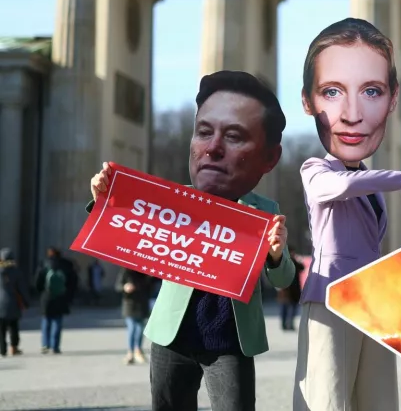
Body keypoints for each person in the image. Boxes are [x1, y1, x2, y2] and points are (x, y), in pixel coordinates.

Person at [87, 70, 295, 411]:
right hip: (173, 336)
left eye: (234, 136)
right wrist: (104, 200)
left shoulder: (264, 212)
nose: (213, 149)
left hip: (230, 341)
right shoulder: (173, 202)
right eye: (203, 132)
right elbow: (128, 234)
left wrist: (275, 255)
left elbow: (283, 279)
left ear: (269, 157)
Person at [292, 18, 401, 411]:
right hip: (331, 294)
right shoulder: (316, 169)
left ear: (391, 99)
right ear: (309, 101)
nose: (351, 114)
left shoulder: (366, 178)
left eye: (371, 91)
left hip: (372, 296)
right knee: (328, 399)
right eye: (331, 92)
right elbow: (341, 187)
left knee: (378, 400)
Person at [34, 248, 73, 354]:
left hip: (46, 296)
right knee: (57, 321)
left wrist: (41, 292)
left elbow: (38, 281)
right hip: (60, 297)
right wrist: (68, 295)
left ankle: (45, 344)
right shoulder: (66, 265)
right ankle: (55, 346)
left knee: (46, 320)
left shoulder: (44, 264)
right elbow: (72, 281)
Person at [116, 266, 153, 364]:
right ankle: (130, 352)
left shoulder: (146, 271)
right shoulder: (126, 271)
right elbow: (118, 286)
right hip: (129, 304)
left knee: (140, 328)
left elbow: (151, 287)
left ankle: (138, 350)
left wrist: (150, 277)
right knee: (132, 328)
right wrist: (125, 287)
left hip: (142, 304)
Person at [0, 248, 29, 356]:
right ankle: (14, 347)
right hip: (13, 303)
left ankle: (2, 349)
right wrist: (26, 302)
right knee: (13, 326)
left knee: (1, 329)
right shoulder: (16, 272)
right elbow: (22, 289)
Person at [276, 246, 304, 331]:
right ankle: (284, 324)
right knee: (284, 308)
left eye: (293, 252)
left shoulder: (295, 262)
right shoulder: (283, 262)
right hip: (285, 290)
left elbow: (302, 268)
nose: (292, 254)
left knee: (294, 308)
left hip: (295, 290)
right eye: (291, 252)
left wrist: (297, 260)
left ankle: (290, 324)